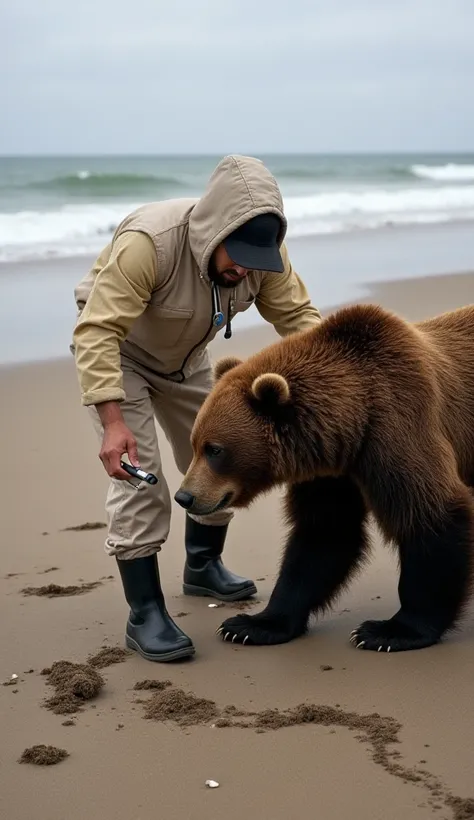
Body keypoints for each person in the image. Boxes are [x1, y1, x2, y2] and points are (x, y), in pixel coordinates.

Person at [71, 154, 322, 664]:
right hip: (121, 357)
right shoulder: (150, 244)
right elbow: (98, 330)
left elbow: (301, 320)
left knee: (224, 460)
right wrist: (112, 422)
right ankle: (145, 613)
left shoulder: (262, 257)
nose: (246, 268)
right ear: (213, 231)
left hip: (187, 360)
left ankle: (202, 565)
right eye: (239, 255)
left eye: (258, 258)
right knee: (142, 483)